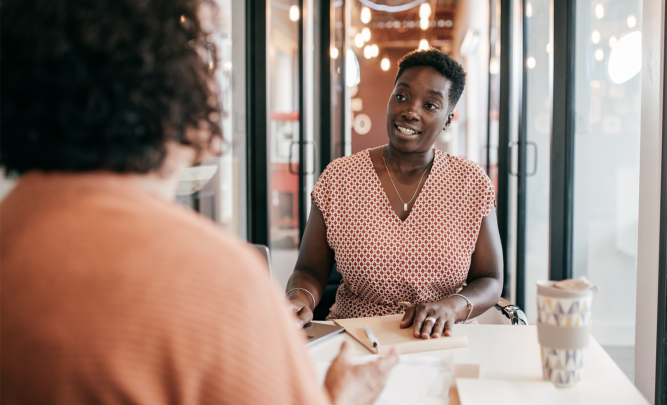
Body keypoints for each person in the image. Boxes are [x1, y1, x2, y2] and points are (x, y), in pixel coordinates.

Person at [0, 1, 398, 404]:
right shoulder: (210, 280)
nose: (218, 78)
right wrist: (340, 397)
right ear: (167, 82)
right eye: (205, 53)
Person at [287, 49, 504, 340]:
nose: (411, 111)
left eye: (430, 104)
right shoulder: (339, 178)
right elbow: (309, 271)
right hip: (354, 339)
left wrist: (452, 307)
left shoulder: (470, 183)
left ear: (448, 119)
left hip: (441, 339)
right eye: (401, 96)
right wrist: (301, 299)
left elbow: (490, 278)